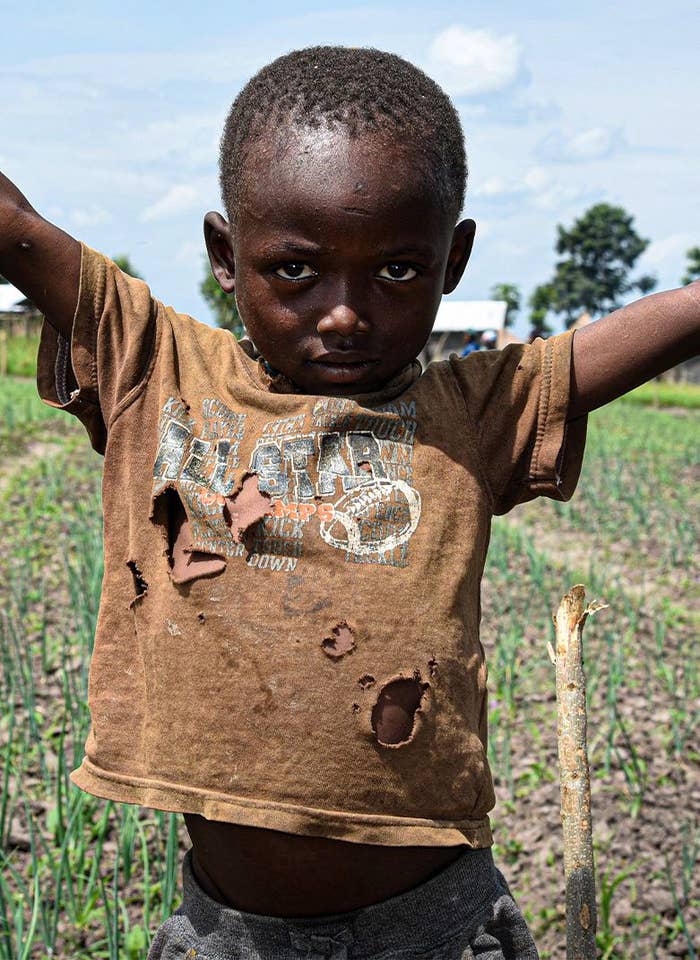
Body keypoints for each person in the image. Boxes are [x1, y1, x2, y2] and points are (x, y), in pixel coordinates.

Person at [1, 46, 698, 960]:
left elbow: (666, 321)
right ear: (225, 255)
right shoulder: (153, 367)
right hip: (224, 936)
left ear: (454, 260)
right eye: (296, 270)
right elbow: (13, 225)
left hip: (436, 930)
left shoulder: (472, 413)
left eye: (398, 272)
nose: (345, 313)